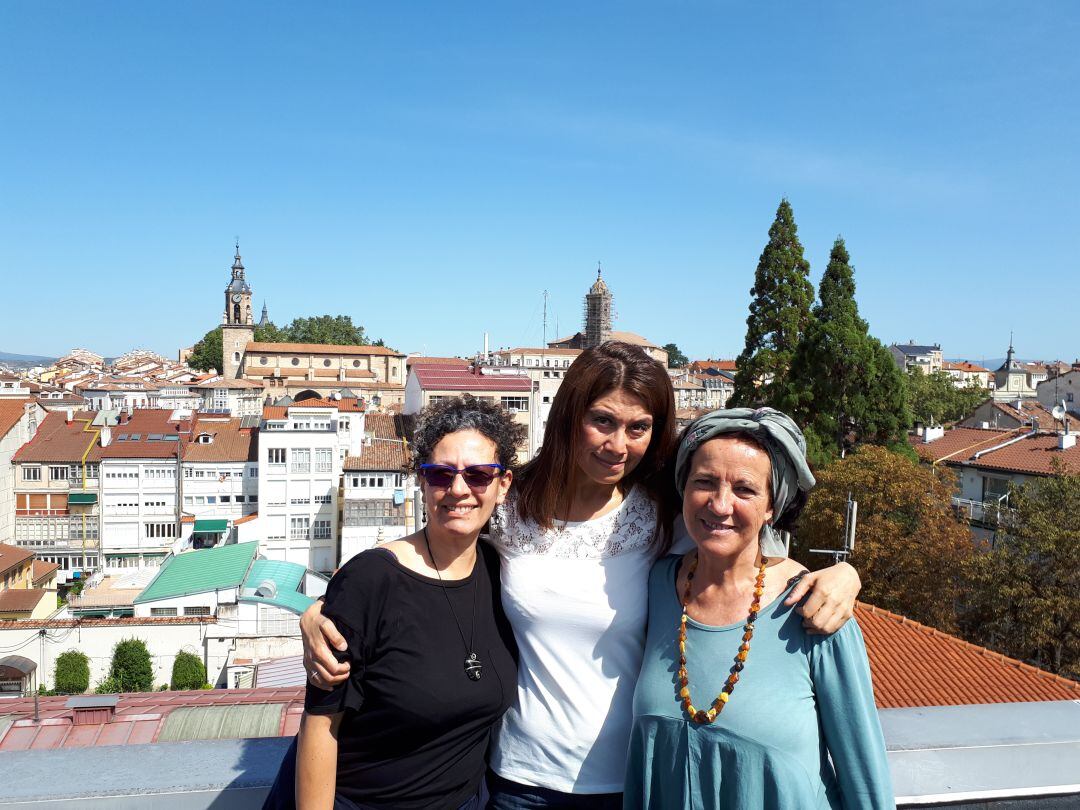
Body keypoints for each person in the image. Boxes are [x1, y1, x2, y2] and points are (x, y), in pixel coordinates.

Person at [301, 342, 864, 807]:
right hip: (519, 780)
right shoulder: (510, 505)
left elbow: (747, 550)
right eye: (603, 421)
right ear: (570, 415)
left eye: (639, 428)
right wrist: (320, 608)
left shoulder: (663, 516)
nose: (619, 444)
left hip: (632, 784)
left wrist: (842, 577)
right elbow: (428, 552)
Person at [625, 407, 893, 809]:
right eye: (704, 482)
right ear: (684, 488)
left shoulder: (812, 609)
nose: (719, 504)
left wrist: (847, 572)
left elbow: (865, 777)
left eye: (744, 490)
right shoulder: (656, 585)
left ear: (772, 506)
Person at [263, 396, 523, 810]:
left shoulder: (502, 572)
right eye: (440, 474)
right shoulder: (371, 579)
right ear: (422, 482)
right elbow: (320, 723)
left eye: (477, 475)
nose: (458, 489)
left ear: (503, 485)